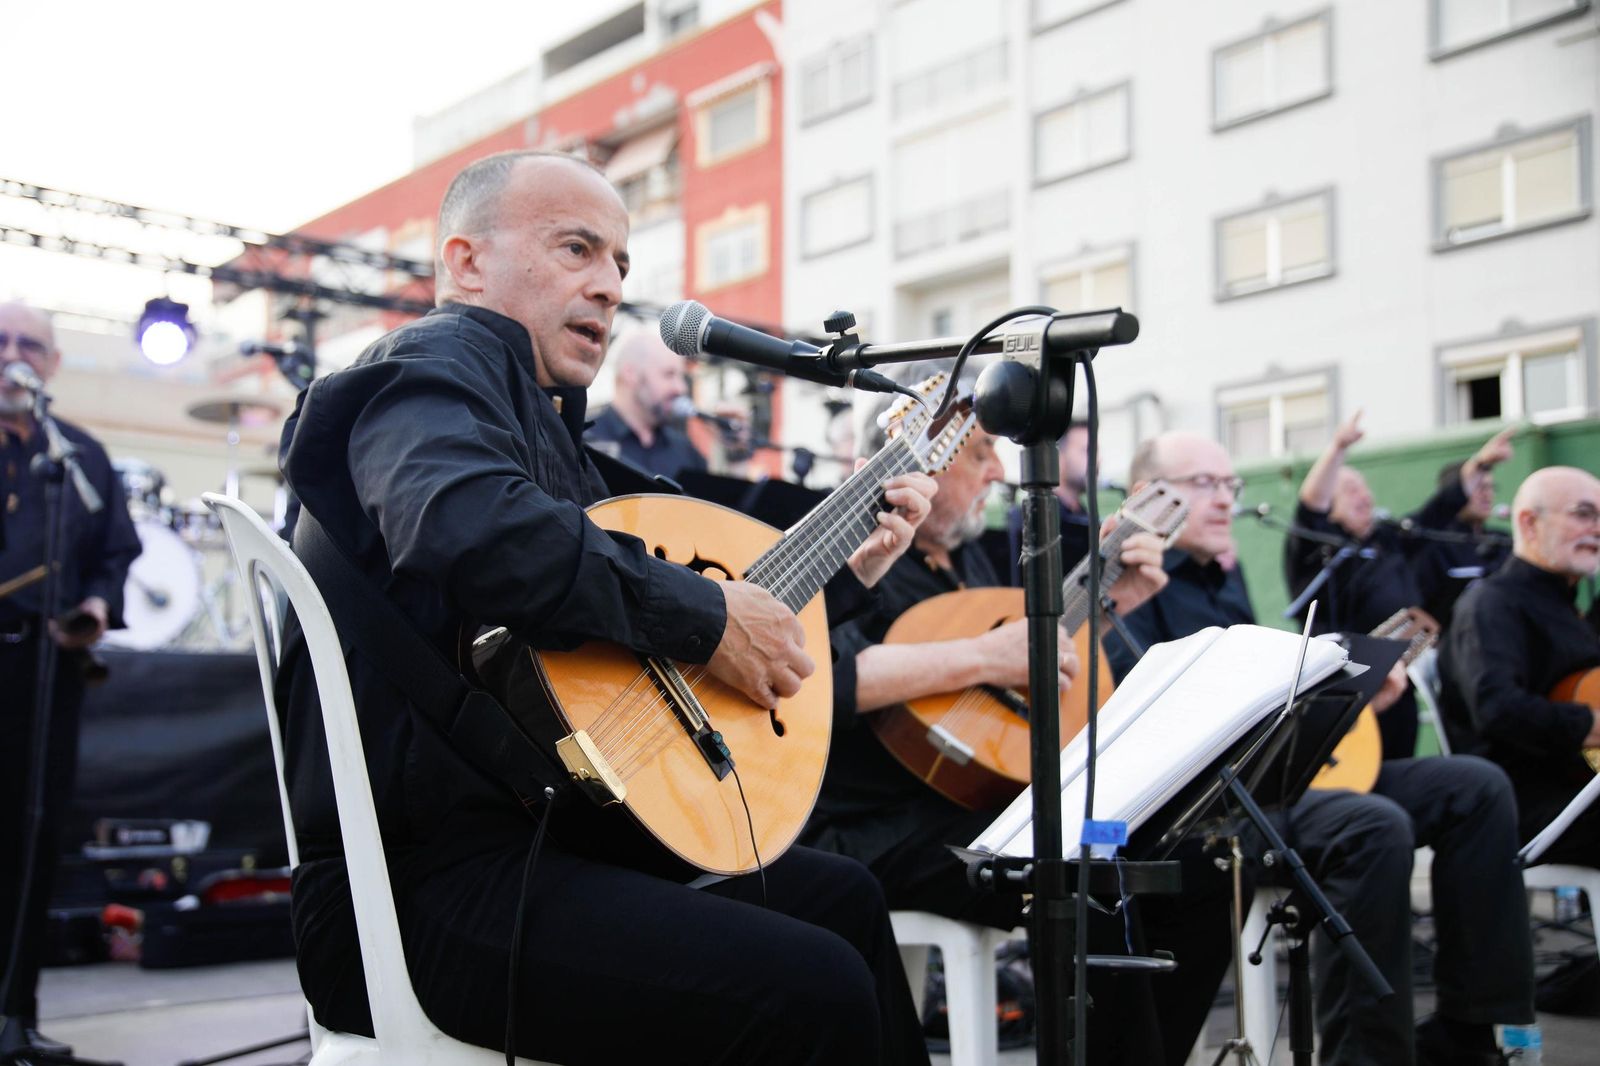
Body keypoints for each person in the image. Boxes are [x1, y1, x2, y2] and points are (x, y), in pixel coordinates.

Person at [274, 149, 940, 1065]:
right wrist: (710, 617)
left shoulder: (544, 426)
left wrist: (843, 570)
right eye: (576, 249)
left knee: (846, 903)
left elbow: (638, 600)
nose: (609, 286)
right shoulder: (428, 366)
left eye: (620, 264)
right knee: (812, 985)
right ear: (467, 262)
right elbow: (469, 527)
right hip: (420, 891)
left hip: (547, 846)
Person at [804, 406, 1244, 1064]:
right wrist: (985, 656)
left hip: (984, 808)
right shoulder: (854, 560)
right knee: (1086, 867)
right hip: (876, 826)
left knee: (1198, 858)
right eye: (980, 452)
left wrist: (1109, 603)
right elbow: (830, 681)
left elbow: (1013, 694)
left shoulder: (970, 564)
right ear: (916, 459)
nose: (998, 472)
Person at [1110, 430, 1534, 1066]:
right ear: (1146, 495)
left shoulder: (1221, 575)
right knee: (1371, 826)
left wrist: (1344, 699)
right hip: (1204, 810)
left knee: (1474, 786)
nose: (1225, 499)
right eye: (1204, 484)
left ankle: (1469, 1032)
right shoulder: (1123, 582)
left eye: (1229, 484)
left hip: (1274, 781)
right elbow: (1153, 719)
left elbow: (1261, 706)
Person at [0, 302, 140, 1053]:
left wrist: (95, 606)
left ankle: (14, 1014)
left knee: (31, 833)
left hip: (43, 667)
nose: (14, 355)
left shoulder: (78, 456)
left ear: (51, 364)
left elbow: (115, 553)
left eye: (30, 345)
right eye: (2, 342)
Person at [1284, 413, 1514, 759]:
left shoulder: (1387, 539)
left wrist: (1480, 464)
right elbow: (1310, 507)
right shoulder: (1317, 551)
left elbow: (1440, 509)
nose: (1365, 496)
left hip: (1397, 683)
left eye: (1365, 489)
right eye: (1351, 490)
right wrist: (1338, 448)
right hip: (1344, 689)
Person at [1439, 465, 1600, 864]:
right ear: (1529, 523)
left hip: (1579, 787)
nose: (1597, 529)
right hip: (1521, 806)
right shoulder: (1491, 604)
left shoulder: (1567, 605)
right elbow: (1497, 708)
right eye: (1584, 514)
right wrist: (1588, 723)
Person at [586, 328, 708, 480]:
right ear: (630, 374)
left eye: (681, 377)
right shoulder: (586, 440)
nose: (681, 388)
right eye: (669, 374)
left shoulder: (685, 450)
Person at [1414, 458, 1513, 632]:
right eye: (1479, 487)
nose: (1488, 495)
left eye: (1491, 487)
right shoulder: (1433, 545)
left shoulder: (1503, 540)